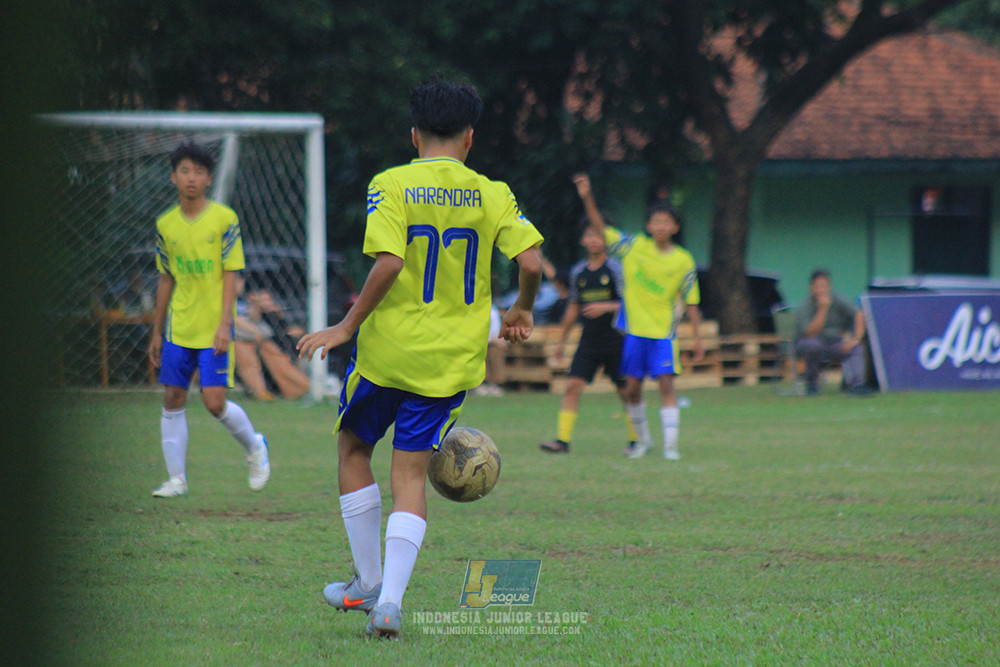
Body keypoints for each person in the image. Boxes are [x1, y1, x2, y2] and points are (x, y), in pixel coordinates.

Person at [296, 78, 543, 640]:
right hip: (449, 363)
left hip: (388, 354)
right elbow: (531, 263)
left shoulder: (392, 184)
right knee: (410, 475)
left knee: (353, 448)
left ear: (414, 134)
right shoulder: (492, 192)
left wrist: (345, 325)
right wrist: (520, 311)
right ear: (470, 137)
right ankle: (389, 604)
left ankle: (367, 580)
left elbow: (388, 262)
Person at [147, 142, 270, 498]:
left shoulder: (224, 219)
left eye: (199, 172)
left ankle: (255, 446)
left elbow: (231, 274)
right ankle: (176, 479)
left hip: (212, 328)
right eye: (185, 171)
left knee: (214, 402)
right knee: (172, 397)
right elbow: (165, 278)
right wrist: (156, 332)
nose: (191, 178)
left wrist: (224, 325)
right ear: (173, 177)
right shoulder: (165, 225)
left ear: (208, 178)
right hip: (178, 328)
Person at [573, 173, 704, 460]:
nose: (660, 226)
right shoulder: (632, 247)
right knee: (631, 389)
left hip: (663, 336)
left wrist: (697, 338)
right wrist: (586, 197)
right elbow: (600, 227)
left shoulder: (683, 260)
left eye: (665, 222)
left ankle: (671, 446)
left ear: (674, 227)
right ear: (648, 226)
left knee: (667, 385)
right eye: (655, 221)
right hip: (634, 334)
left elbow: (692, 301)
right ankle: (643, 441)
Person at [539, 220, 636, 454]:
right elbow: (573, 307)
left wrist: (606, 307)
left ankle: (636, 439)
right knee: (572, 385)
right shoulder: (578, 272)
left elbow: (631, 303)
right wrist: (561, 341)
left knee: (626, 391)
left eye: (598, 236)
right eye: (588, 235)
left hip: (616, 339)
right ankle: (562, 441)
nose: (593, 240)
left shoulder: (616, 269)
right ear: (582, 240)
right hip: (589, 340)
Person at [794, 269, 870, 395]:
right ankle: (812, 384)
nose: (821, 290)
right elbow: (810, 332)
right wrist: (823, 309)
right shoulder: (805, 305)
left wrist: (856, 338)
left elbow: (858, 314)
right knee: (813, 346)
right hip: (809, 342)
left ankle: (857, 384)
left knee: (856, 347)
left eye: (823, 286)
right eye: (817, 286)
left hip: (834, 342)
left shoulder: (838, 300)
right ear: (811, 288)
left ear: (829, 286)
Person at [233, 275, 310, 401]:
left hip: (255, 337)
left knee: (271, 350)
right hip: (234, 336)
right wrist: (253, 330)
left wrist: (259, 306)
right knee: (245, 349)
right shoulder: (222, 301)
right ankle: (260, 391)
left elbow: (256, 320)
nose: (240, 284)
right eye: (237, 281)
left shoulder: (243, 301)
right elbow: (230, 320)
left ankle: (299, 387)